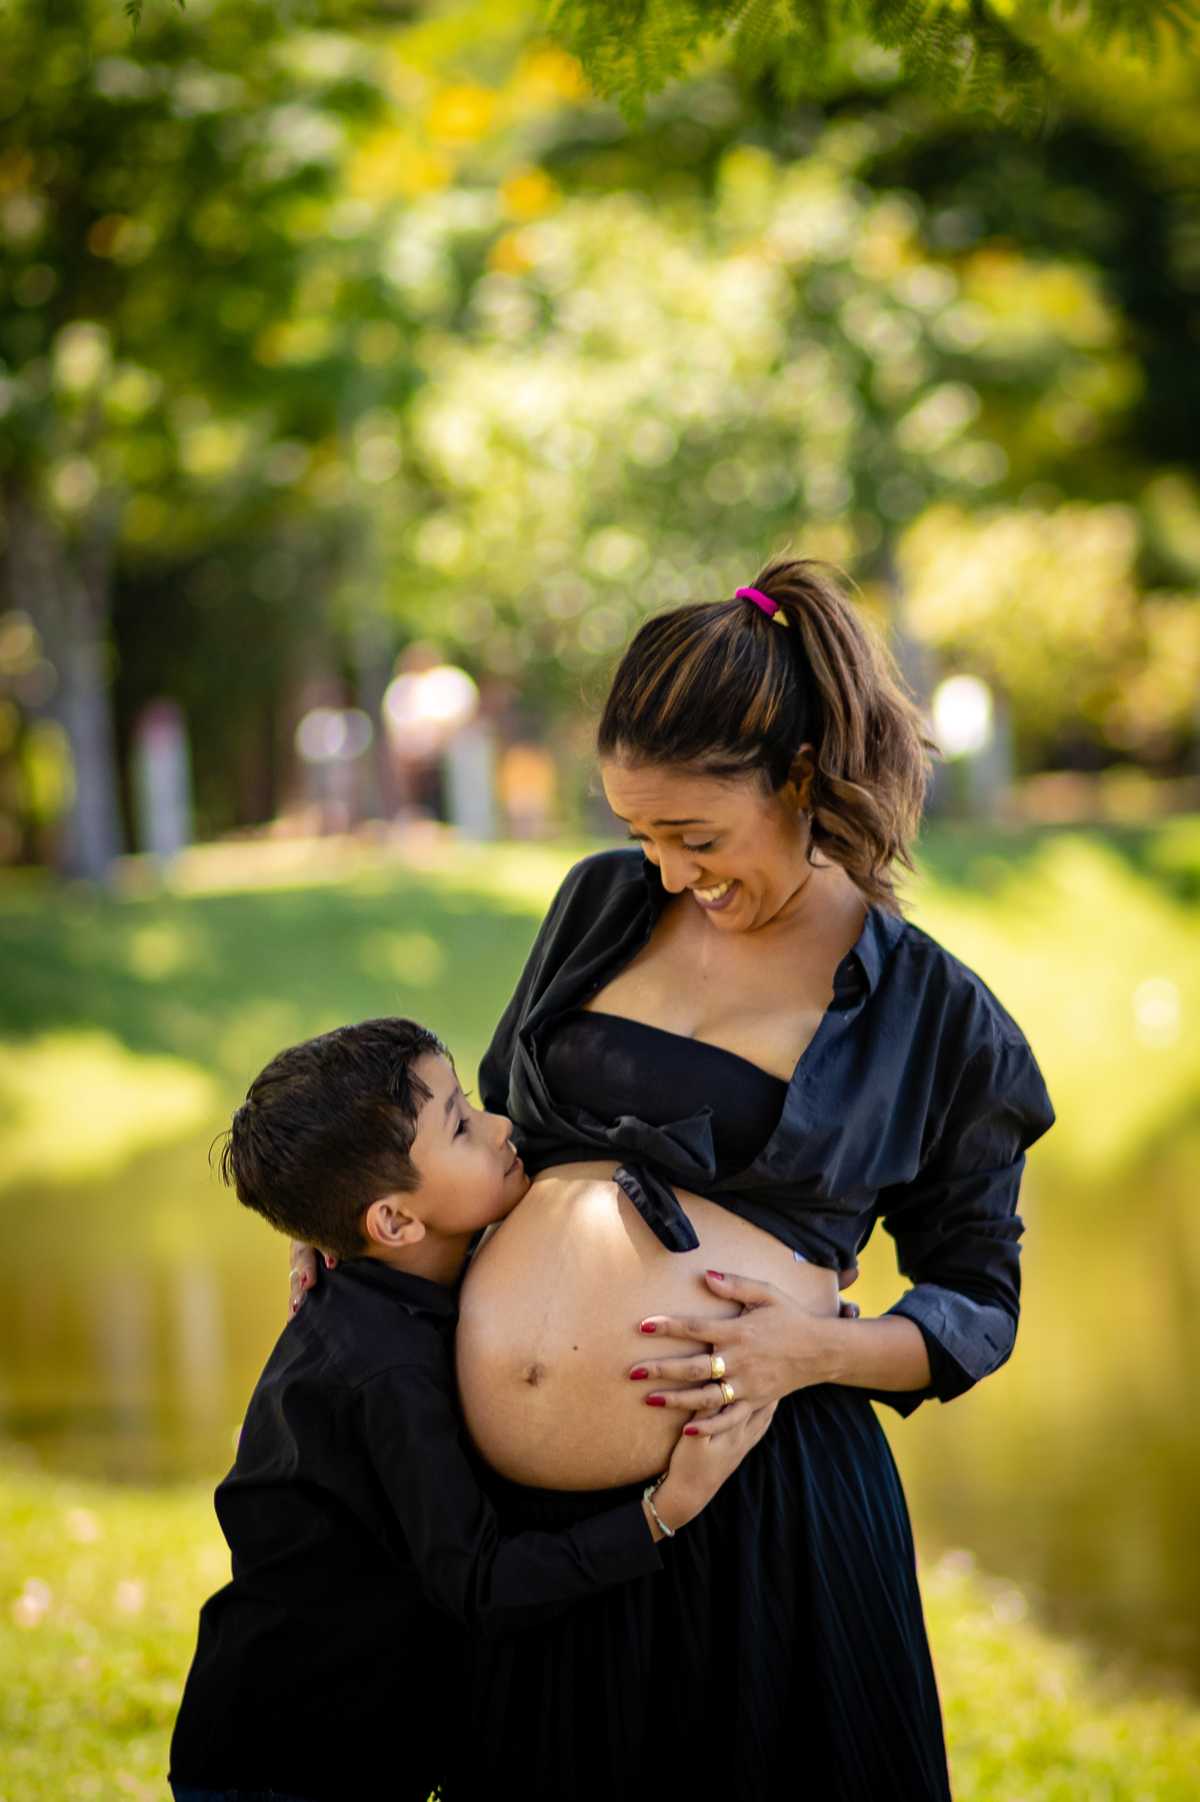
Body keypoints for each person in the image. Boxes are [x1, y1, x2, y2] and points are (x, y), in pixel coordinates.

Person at [292, 557, 1055, 1800]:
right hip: (540, 1542)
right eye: (637, 831)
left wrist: (810, 1351)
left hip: (760, 1520)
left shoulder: (929, 1011)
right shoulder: (597, 906)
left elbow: (978, 1300)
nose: (662, 868)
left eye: (695, 834)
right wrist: (377, 1232)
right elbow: (498, 1148)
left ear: (801, 779)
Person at [171, 1017, 774, 1802]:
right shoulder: (380, 1369)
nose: (499, 1124)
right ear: (392, 1221)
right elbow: (478, 1581)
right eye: (460, 1124)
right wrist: (663, 1511)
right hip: (296, 1768)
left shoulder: (401, 1283)